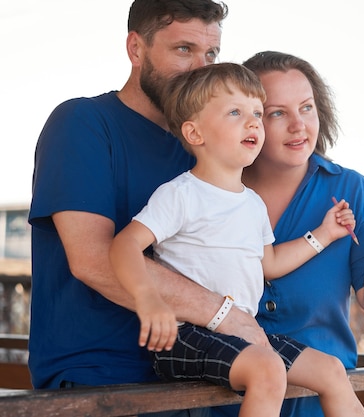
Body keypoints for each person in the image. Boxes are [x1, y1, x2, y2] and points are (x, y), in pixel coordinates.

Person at [27, 2, 272, 416]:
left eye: (210, 54)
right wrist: (228, 316)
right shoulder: (83, 122)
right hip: (102, 379)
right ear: (136, 49)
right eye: (183, 49)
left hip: (199, 376)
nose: (200, 66)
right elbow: (92, 258)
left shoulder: (203, 147)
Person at [109, 63, 364, 417]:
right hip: (186, 335)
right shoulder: (181, 194)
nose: (253, 123)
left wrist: (324, 234)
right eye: (235, 112)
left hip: (243, 334)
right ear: (195, 132)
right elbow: (124, 245)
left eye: (258, 113)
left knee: (331, 370)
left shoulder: (252, 203)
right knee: (267, 370)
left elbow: (270, 264)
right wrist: (148, 299)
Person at [212, 51, 364, 417]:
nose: (299, 125)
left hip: (319, 406)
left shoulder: (350, 188)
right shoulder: (208, 190)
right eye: (277, 113)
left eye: (307, 107)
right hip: (217, 402)